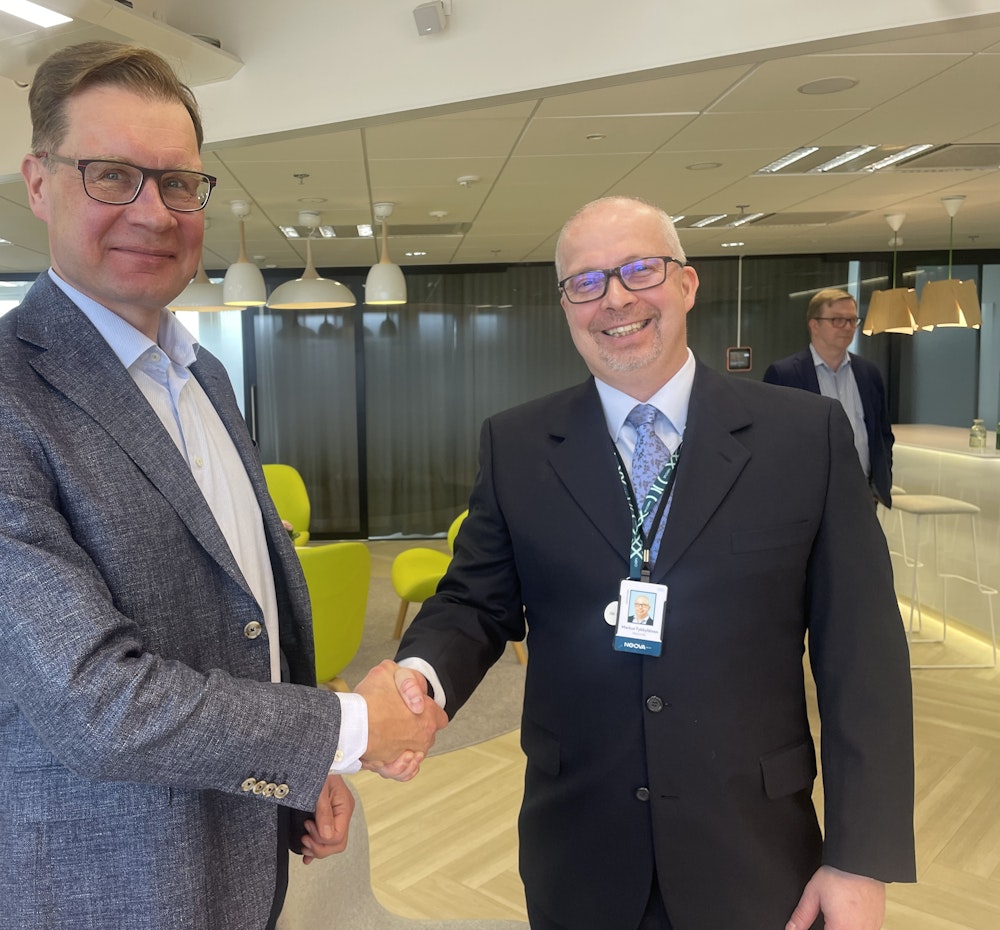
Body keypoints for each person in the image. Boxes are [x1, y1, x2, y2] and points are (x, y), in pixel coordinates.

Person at [0, 41, 443, 930]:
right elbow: (94, 701)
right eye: (112, 175)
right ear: (38, 182)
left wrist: (300, 771)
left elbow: (244, 613)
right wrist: (347, 730)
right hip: (94, 879)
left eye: (179, 183)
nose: (153, 212)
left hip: (238, 846)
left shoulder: (204, 377)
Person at [390, 196, 915, 930]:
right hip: (580, 851)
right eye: (587, 282)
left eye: (640, 270)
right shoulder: (518, 445)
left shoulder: (804, 438)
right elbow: (474, 602)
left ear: (688, 284)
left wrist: (860, 858)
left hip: (755, 851)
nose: (615, 299)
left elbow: (864, 658)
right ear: (566, 306)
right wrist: (418, 680)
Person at [763, 288, 895, 508]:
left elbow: (882, 434)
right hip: (807, 497)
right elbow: (772, 440)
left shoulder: (869, 373)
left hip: (863, 494)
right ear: (814, 325)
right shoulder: (784, 374)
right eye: (837, 320)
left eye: (852, 320)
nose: (847, 327)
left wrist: (880, 483)